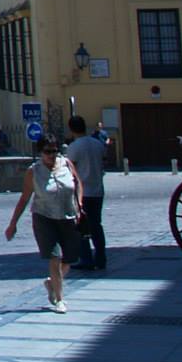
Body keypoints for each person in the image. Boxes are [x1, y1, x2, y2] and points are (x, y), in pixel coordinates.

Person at [4, 136, 83, 312]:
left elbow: (78, 184)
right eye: (48, 151)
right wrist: (13, 224)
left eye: (54, 150)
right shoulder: (34, 171)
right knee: (55, 257)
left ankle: (51, 283)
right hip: (44, 218)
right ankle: (60, 299)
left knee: (70, 258)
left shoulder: (67, 164)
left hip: (68, 216)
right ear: (40, 152)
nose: (52, 155)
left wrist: (79, 203)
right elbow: (24, 198)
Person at [64, 115, 108, 270]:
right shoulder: (97, 144)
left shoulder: (74, 147)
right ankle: (101, 258)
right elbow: (104, 160)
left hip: (82, 192)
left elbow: (70, 168)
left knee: (81, 227)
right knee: (97, 225)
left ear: (71, 129)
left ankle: (86, 258)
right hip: (98, 189)